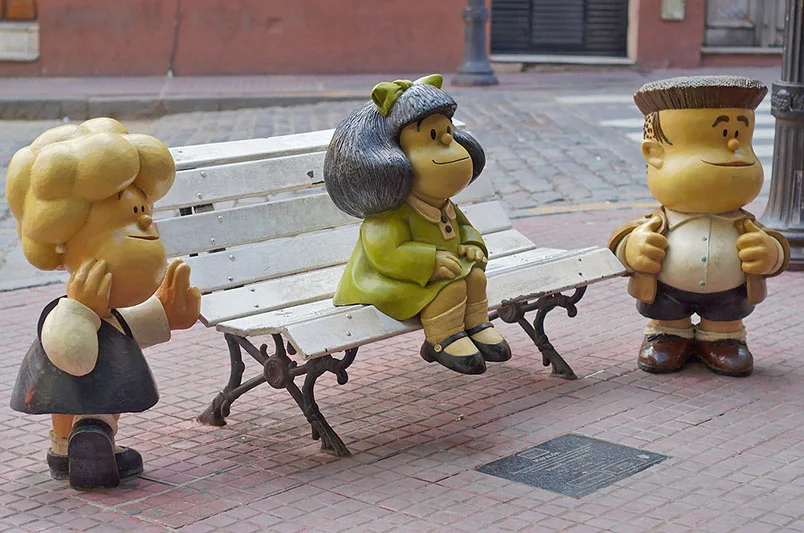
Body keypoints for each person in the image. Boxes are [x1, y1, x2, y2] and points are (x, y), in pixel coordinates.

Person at [6, 118, 201, 489]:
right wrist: (81, 309)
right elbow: (74, 355)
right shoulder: (66, 312)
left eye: (145, 212)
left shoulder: (107, 311)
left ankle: (95, 444)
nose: (146, 224)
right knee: (81, 408)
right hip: (69, 383)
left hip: (95, 344)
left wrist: (166, 314)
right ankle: (72, 445)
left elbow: (127, 329)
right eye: (131, 214)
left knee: (100, 413)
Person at [324, 74, 511, 375]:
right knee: (448, 288)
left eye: (448, 133)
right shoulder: (389, 217)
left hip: (440, 271)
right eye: (433, 138)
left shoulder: (443, 204)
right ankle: (442, 339)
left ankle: (477, 325)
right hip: (385, 280)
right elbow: (387, 255)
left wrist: (473, 245)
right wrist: (429, 261)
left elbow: (464, 229)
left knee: (474, 277)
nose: (450, 145)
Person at [608, 76, 790, 377]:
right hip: (667, 293)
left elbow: (776, 247)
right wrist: (633, 247)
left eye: (740, 137)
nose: (733, 145)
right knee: (666, 312)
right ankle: (667, 335)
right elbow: (621, 241)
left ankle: (723, 340)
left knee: (727, 313)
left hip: (728, 294)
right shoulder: (658, 222)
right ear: (655, 155)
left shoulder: (744, 224)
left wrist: (770, 254)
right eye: (721, 137)